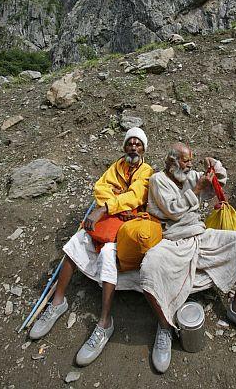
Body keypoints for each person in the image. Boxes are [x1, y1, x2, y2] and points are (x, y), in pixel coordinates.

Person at [140, 143, 236, 373]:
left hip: (200, 235)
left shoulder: (192, 176)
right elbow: (172, 210)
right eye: (185, 160)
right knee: (149, 266)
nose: (190, 164)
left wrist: (214, 165)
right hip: (172, 241)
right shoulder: (158, 180)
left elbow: (219, 180)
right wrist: (198, 189)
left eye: (191, 160)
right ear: (171, 162)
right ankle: (164, 324)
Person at [30, 127, 153, 366]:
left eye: (138, 144)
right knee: (77, 241)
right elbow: (100, 189)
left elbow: (136, 196)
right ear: (124, 147)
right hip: (111, 219)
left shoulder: (147, 171)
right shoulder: (115, 167)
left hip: (130, 225)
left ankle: (105, 323)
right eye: (130, 143)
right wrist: (116, 203)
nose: (134, 147)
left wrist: (107, 207)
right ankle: (57, 302)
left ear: (144, 149)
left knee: (108, 252)